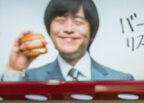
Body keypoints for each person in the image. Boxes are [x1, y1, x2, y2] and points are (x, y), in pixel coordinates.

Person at [2, 0, 133, 81]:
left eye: (78, 21)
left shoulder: (120, 80)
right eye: (60, 21)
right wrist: (14, 69)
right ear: (49, 29)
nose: (68, 29)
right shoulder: (30, 79)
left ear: (92, 31)